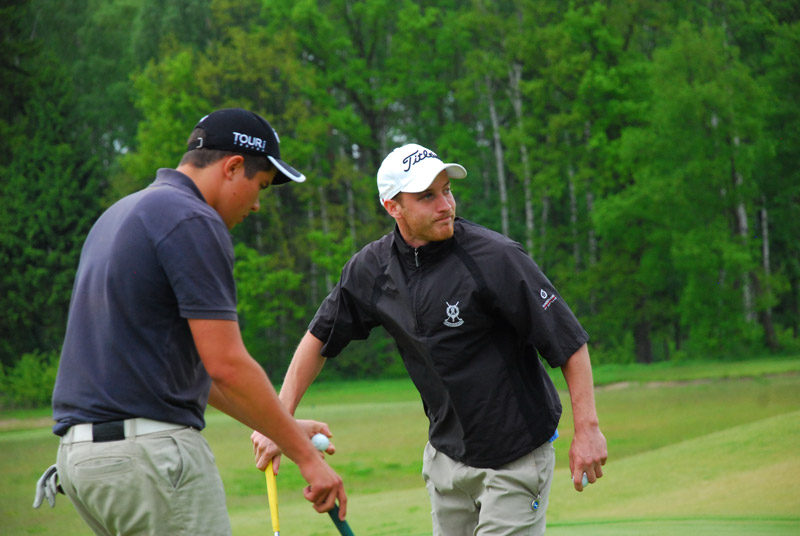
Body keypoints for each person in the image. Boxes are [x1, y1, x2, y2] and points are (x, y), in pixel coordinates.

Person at [251, 143, 607, 535]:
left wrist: (587, 429)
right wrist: (278, 419)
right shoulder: (371, 269)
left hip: (516, 456)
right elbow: (320, 337)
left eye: (447, 190)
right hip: (446, 459)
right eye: (427, 196)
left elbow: (569, 342)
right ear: (393, 207)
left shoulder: (496, 257)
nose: (445, 205)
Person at [49, 108, 347, 535]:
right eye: (260, 186)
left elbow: (192, 374)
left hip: (84, 464)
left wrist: (282, 430)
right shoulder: (191, 219)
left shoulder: (121, 214)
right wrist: (306, 456)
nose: (258, 204)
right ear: (233, 167)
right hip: (148, 458)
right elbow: (227, 364)